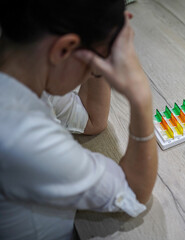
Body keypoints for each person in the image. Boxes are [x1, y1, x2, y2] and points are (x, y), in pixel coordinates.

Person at [0, 0, 158, 239]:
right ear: (63, 50)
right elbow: (135, 190)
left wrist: (100, 40)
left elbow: (92, 120)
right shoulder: (25, 136)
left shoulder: (19, 66)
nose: (95, 71)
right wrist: (141, 97)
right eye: (95, 66)